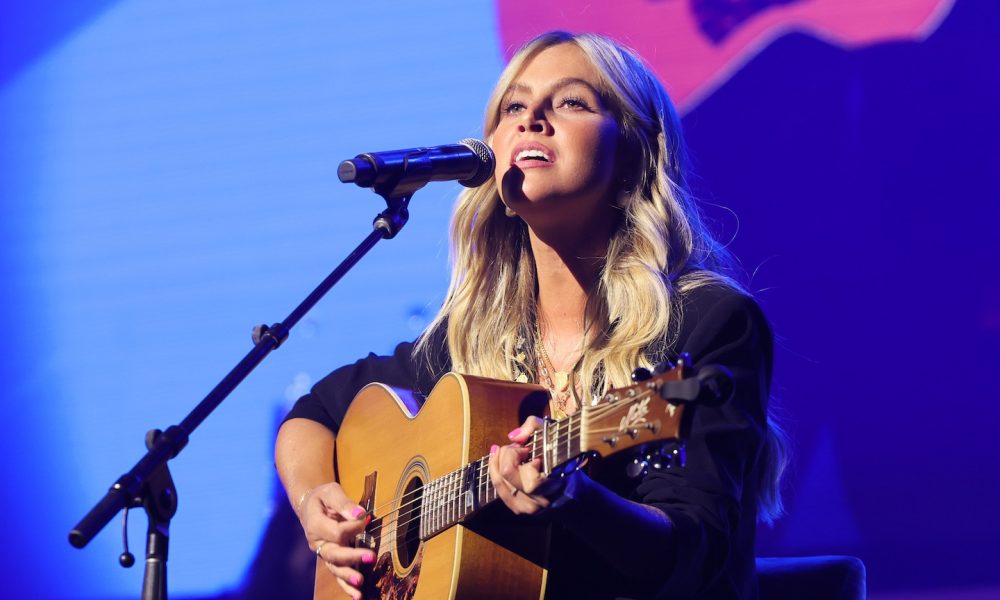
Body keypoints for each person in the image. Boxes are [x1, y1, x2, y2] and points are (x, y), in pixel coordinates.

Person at [275, 30, 787, 599]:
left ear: (632, 155)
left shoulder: (705, 322)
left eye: (571, 102)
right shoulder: (474, 336)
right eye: (514, 106)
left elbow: (694, 556)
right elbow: (315, 412)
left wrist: (576, 501)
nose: (532, 119)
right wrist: (315, 502)